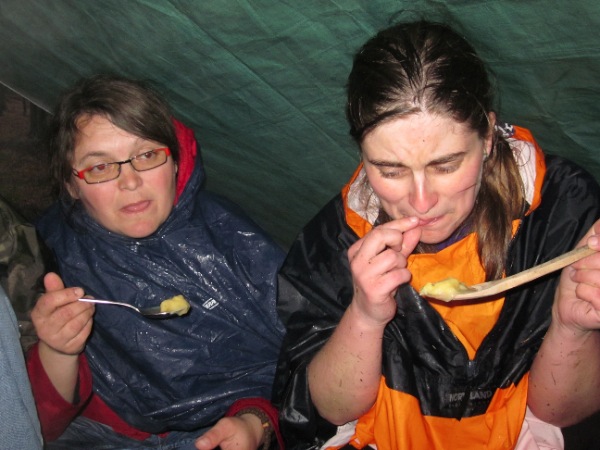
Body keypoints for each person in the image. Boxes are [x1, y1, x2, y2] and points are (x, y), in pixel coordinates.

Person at [272, 20, 600, 449]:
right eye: (390, 170)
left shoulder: (561, 211)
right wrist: (365, 316)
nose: (421, 202)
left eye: (446, 165)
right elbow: (330, 411)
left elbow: (560, 415)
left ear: (487, 137)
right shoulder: (337, 237)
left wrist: (572, 327)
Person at [26, 75, 285, 449]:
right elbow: (36, 427)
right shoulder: (50, 254)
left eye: (147, 155)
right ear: (71, 185)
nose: (130, 182)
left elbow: (305, 362)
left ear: (175, 160)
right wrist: (58, 349)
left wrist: (256, 421)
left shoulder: (232, 238)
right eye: (100, 167)